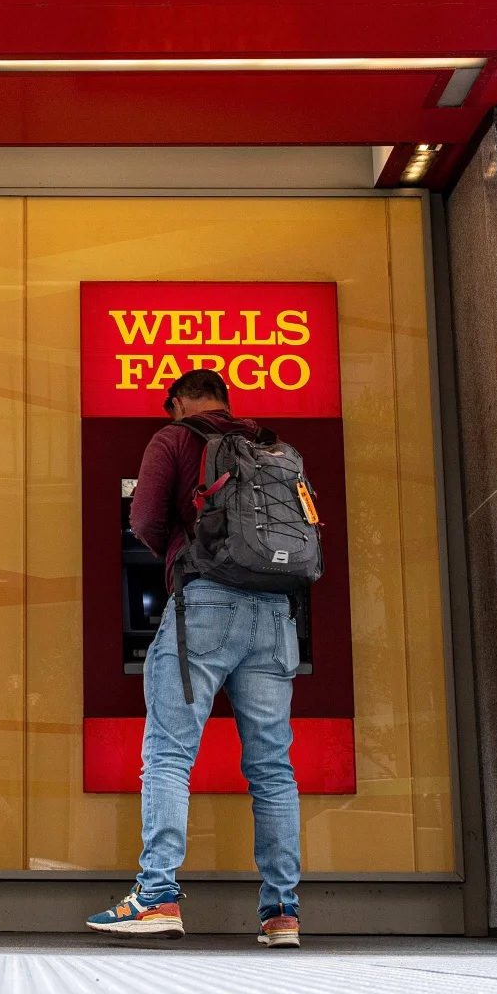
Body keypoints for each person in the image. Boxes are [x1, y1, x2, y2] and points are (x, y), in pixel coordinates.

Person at [85, 368, 302, 947]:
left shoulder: (175, 438)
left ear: (179, 402)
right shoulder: (270, 445)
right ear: (227, 402)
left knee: (169, 755)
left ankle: (156, 896)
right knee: (272, 767)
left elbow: (145, 519)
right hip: (276, 615)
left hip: (204, 607)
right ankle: (281, 911)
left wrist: (180, 557)